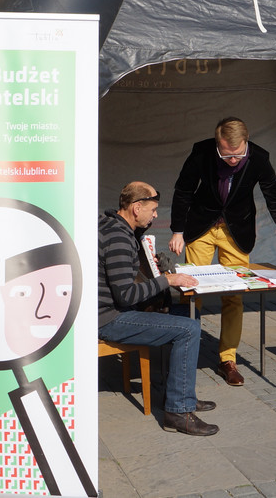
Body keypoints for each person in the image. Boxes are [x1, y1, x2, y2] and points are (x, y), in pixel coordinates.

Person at [169, 117, 276, 387]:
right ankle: (182, 352)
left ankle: (227, 359)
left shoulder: (259, 159)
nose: (233, 160)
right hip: (201, 228)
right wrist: (177, 231)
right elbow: (183, 190)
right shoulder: (201, 153)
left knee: (234, 295)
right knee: (192, 292)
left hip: (236, 232)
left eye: (238, 154)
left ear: (246, 142)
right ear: (218, 143)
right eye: (227, 155)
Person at [99, 182, 219, 436]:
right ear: (136, 207)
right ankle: (178, 412)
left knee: (190, 315)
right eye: (152, 210)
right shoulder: (119, 237)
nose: (155, 215)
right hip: (108, 318)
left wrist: (152, 267)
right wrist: (167, 280)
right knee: (186, 329)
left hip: (113, 310)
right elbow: (126, 295)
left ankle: (180, 392)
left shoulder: (115, 226)